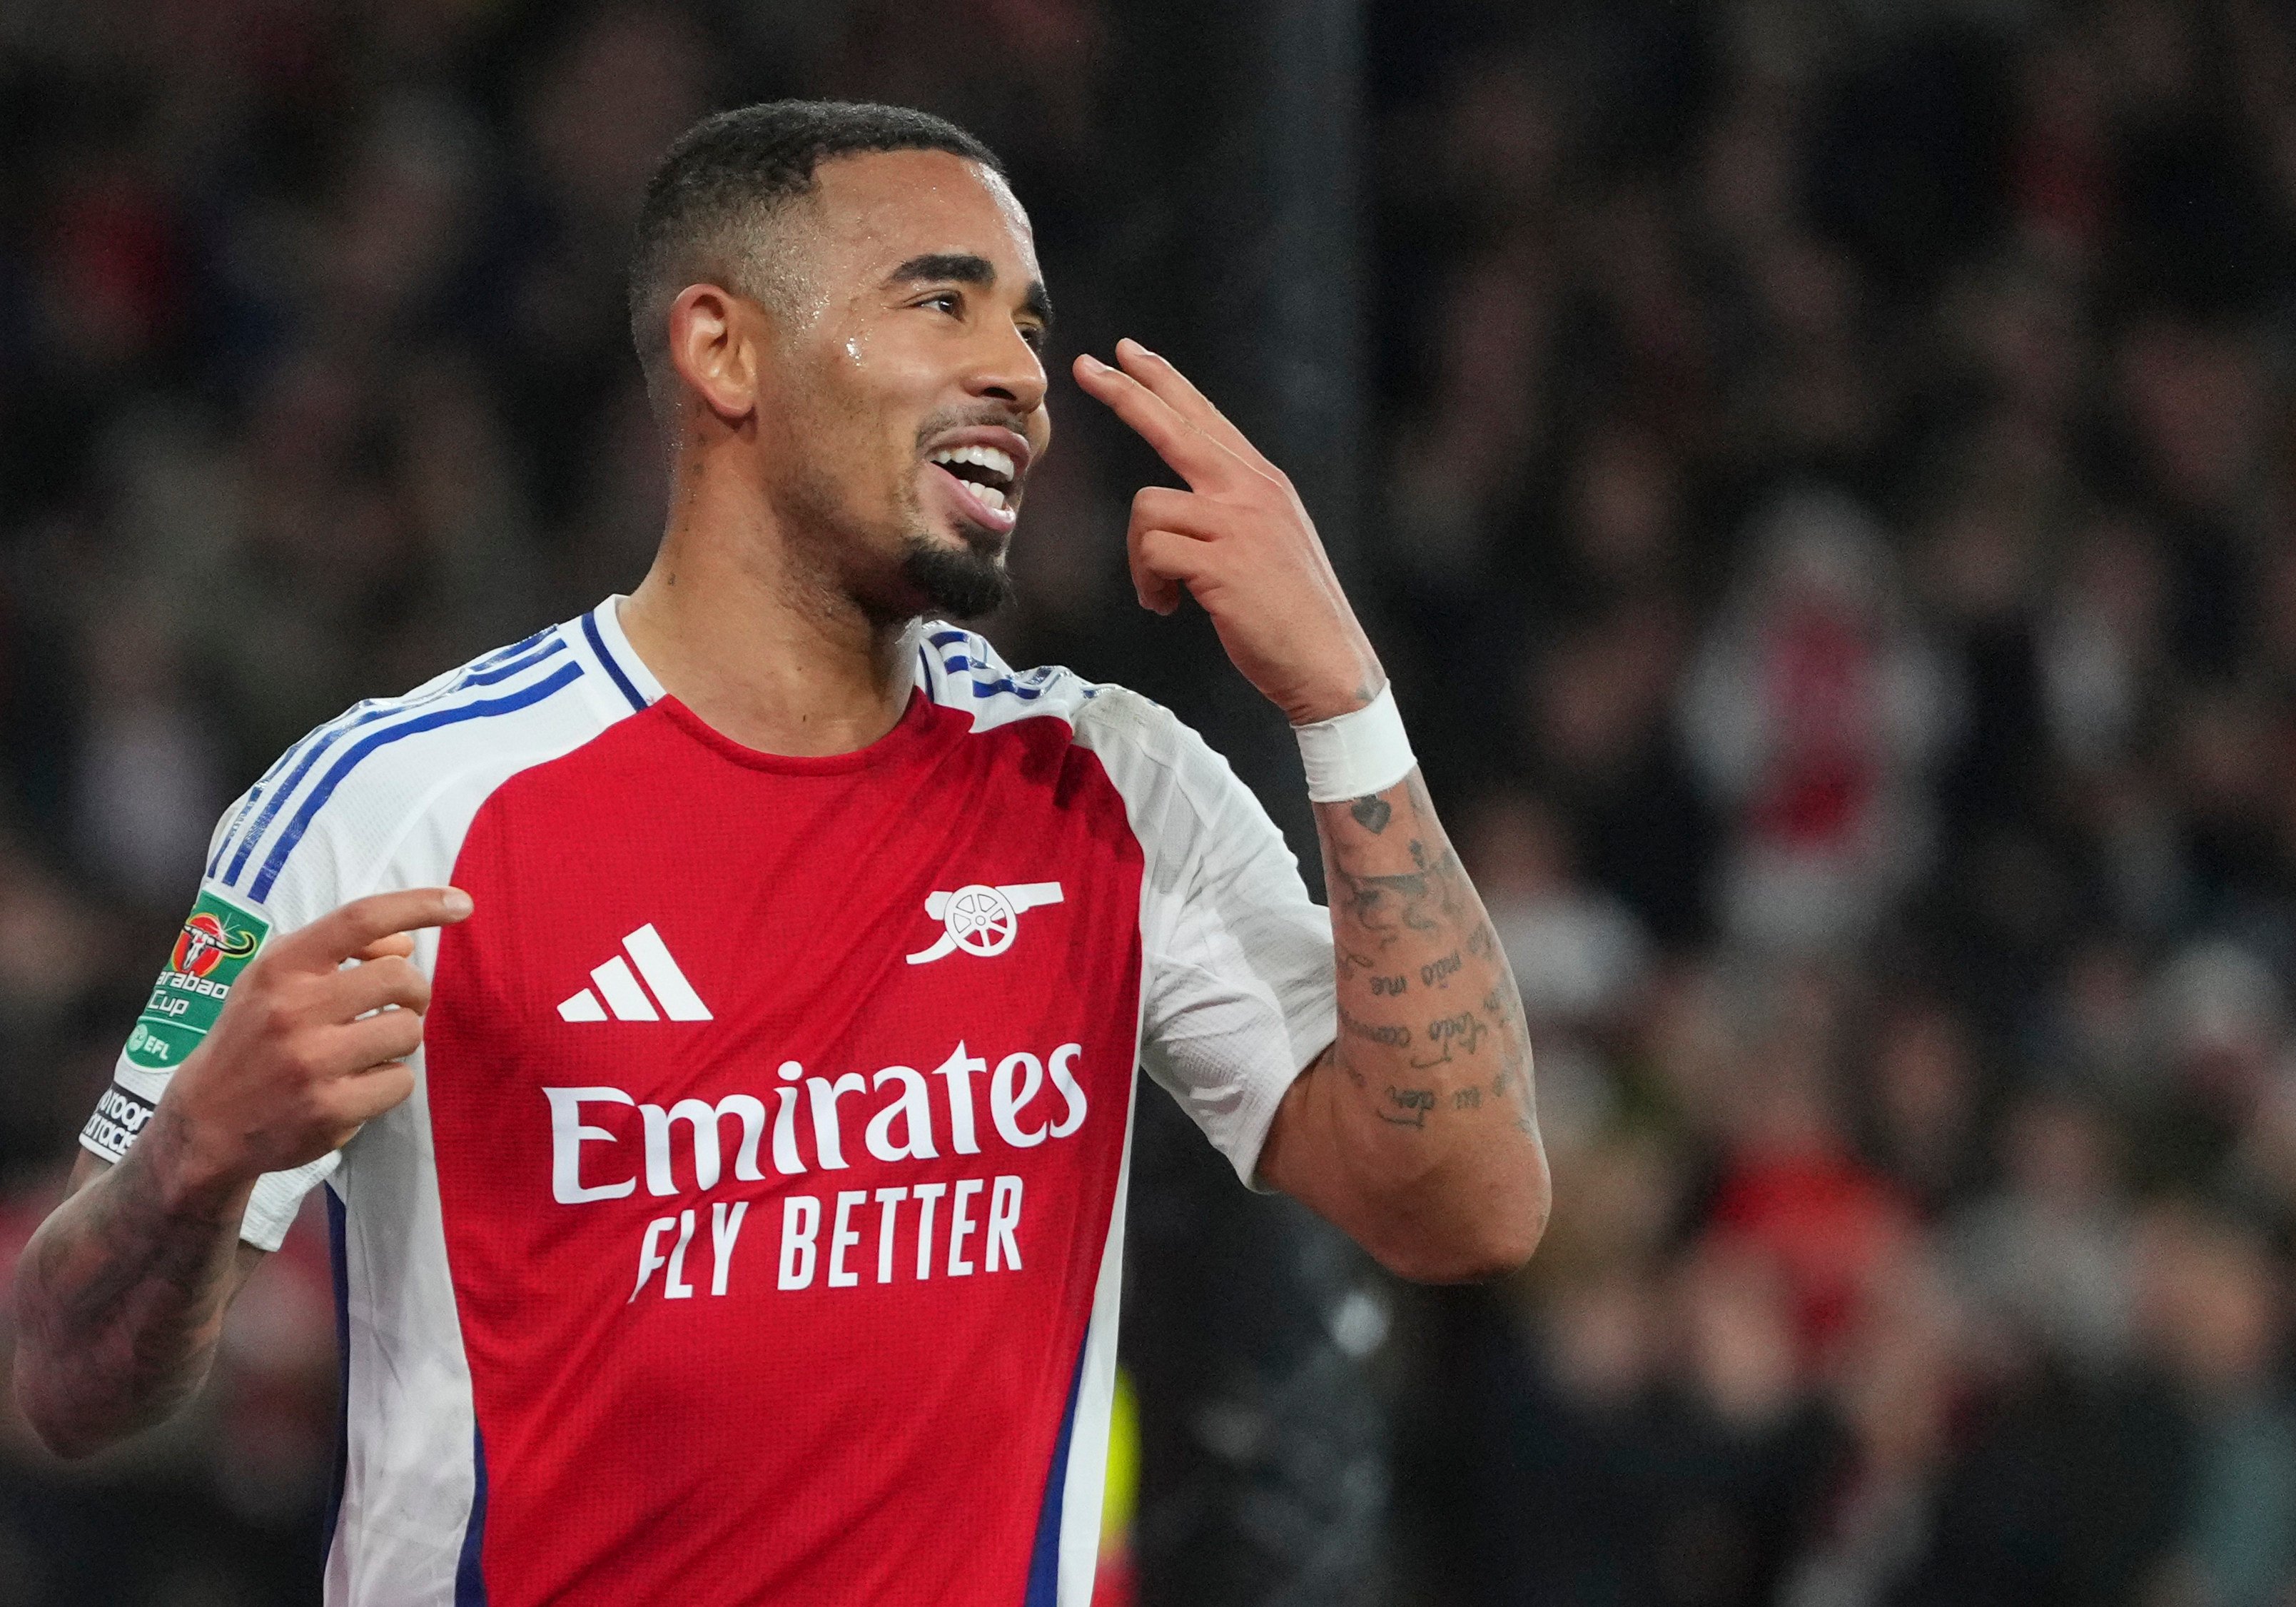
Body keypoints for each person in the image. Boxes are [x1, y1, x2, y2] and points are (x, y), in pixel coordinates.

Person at [8, 101, 1548, 1604]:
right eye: (940, 302)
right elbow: (62, 1384)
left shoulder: (1109, 789)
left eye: (1025, 322)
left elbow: (1466, 1204)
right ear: (720, 350)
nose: (1017, 372)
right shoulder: (387, 805)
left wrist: (1345, 704)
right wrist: (196, 1158)